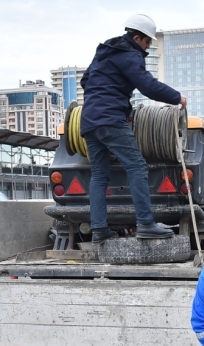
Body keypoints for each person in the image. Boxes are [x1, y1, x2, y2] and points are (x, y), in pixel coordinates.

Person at [80, 14, 186, 243]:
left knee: (99, 175)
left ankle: (99, 230)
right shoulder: (130, 54)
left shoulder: (104, 53)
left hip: (88, 121)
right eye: (147, 42)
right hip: (110, 120)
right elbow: (147, 85)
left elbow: (86, 81)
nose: (147, 47)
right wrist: (177, 97)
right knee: (137, 166)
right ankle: (146, 224)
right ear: (136, 38)